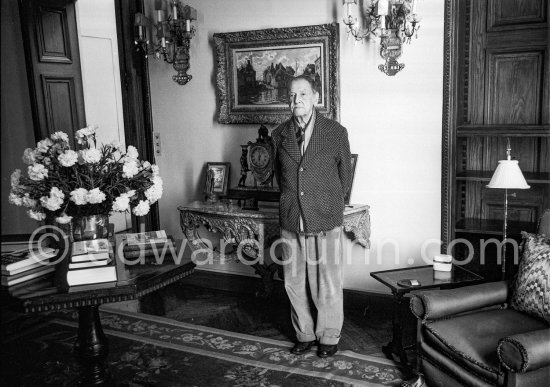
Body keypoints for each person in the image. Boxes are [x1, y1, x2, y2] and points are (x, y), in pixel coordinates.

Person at [272, 75, 351, 358]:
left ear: (315, 97)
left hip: (325, 215)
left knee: (327, 280)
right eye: (292, 96)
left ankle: (329, 336)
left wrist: (329, 203)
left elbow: (345, 177)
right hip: (292, 215)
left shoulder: (335, 132)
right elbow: (278, 178)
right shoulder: (278, 134)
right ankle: (304, 333)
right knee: (293, 280)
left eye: (303, 94)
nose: (297, 101)